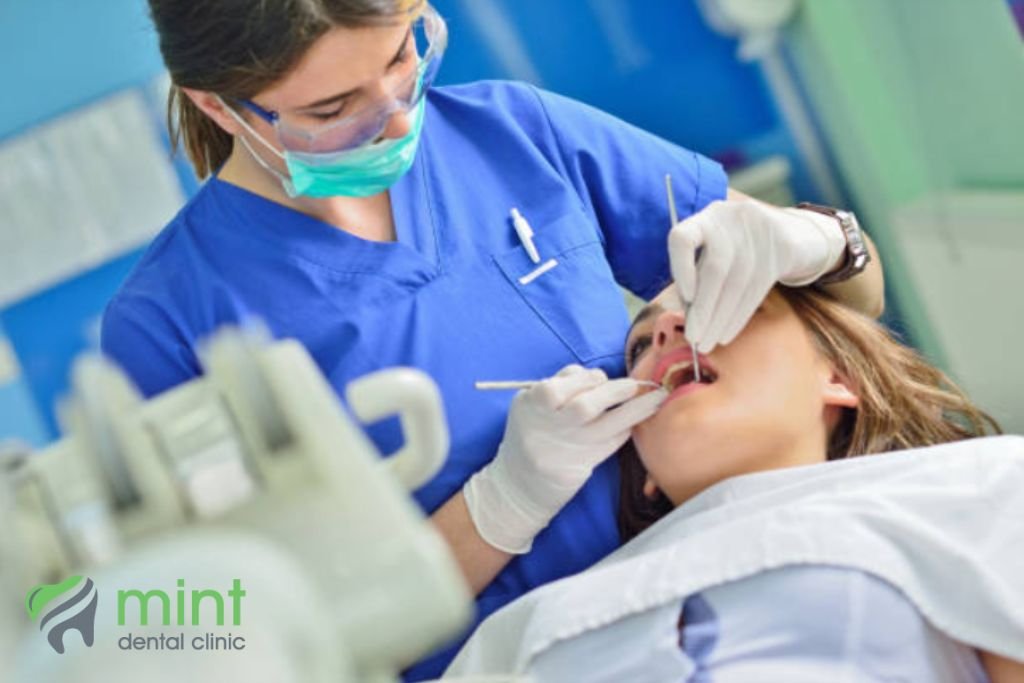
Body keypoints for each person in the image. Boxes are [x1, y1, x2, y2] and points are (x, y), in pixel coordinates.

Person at [101, 1, 884, 676]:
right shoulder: (172, 319)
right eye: (334, 108)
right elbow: (272, 633)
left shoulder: (515, 132)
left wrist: (813, 241)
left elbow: (850, 310)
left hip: (723, 607)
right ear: (220, 108)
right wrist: (498, 507)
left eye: (404, 57)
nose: (401, 118)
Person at [447, 283, 1024, 681]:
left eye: (716, 308)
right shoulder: (522, 626)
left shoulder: (977, 483)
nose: (668, 330)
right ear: (642, 465)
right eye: (640, 348)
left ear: (840, 378)